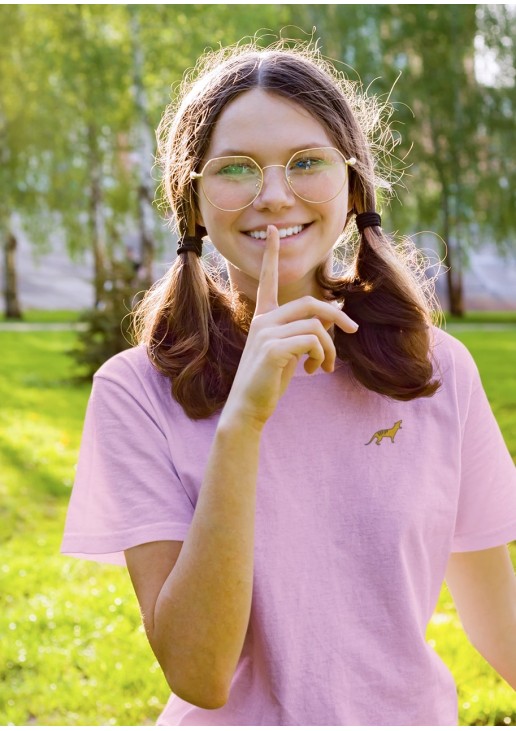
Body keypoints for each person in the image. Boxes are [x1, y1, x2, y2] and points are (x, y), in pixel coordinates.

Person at [61, 41, 516, 726]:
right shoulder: (135, 391)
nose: (274, 195)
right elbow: (199, 671)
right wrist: (242, 422)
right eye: (236, 169)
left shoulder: (435, 370)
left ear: (354, 185)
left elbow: (496, 614)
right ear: (191, 201)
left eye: (307, 162)